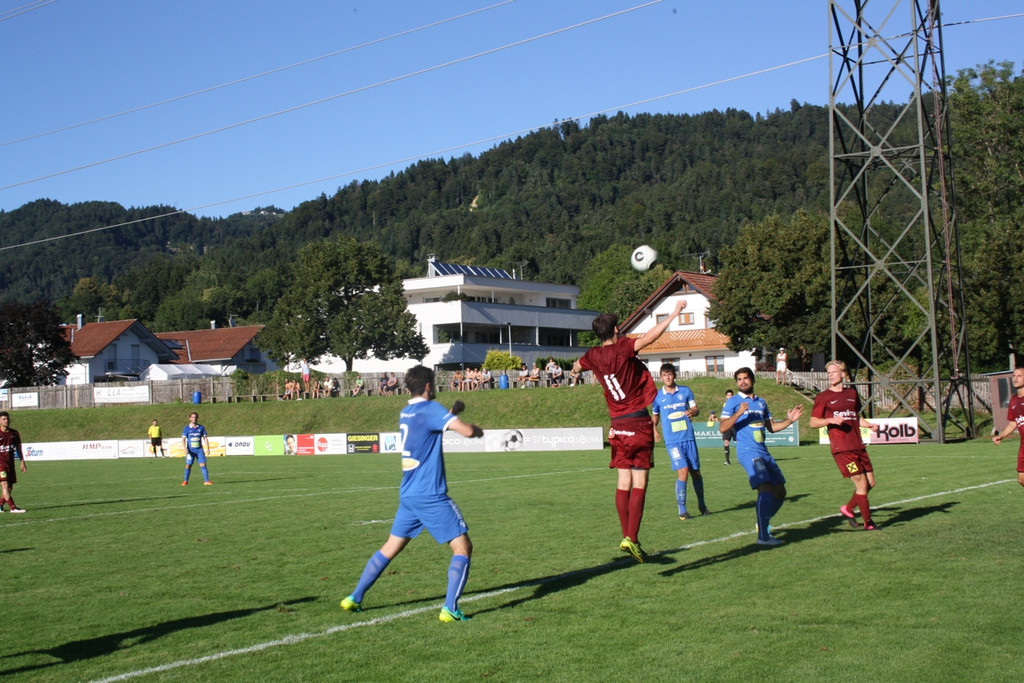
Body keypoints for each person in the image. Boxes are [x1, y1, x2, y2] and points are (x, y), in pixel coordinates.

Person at [340, 365, 484, 623]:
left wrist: (451, 413)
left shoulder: (406, 412)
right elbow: (468, 431)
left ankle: (354, 597)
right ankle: (450, 608)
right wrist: (475, 429)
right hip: (430, 494)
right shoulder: (431, 410)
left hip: (409, 494)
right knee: (463, 547)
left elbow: (428, 430)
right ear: (428, 385)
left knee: (390, 547)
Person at [572, 299, 687, 562]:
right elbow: (649, 338)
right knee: (640, 482)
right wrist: (674, 314)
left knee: (623, 481)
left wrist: (577, 370)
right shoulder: (623, 348)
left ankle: (627, 536)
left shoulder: (592, 356)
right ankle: (632, 537)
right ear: (614, 331)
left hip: (617, 425)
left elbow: (578, 365)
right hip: (637, 421)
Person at [719, 367, 804, 547]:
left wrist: (790, 420)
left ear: (753, 380)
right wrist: (738, 413)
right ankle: (763, 536)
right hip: (747, 451)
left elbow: (771, 427)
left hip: (763, 451)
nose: (742, 382)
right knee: (764, 486)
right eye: (739, 379)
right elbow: (722, 428)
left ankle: (762, 521)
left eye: (746, 378)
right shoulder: (733, 402)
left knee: (780, 491)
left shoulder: (761, 403)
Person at [810, 360, 881, 530]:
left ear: (843, 374)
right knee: (862, 484)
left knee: (870, 483)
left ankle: (848, 508)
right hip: (842, 449)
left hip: (858, 445)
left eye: (834, 372)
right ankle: (868, 523)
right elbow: (813, 422)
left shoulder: (852, 394)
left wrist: (869, 425)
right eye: (829, 373)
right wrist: (830, 420)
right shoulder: (823, 397)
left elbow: (854, 417)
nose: (831, 375)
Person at [652, 363, 708, 520]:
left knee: (695, 472)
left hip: (688, 438)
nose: (667, 377)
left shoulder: (685, 391)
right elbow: (655, 414)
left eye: (670, 374)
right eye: (664, 375)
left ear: (674, 375)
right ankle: (682, 510)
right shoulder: (658, 396)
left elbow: (696, 408)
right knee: (683, 471)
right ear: (661, 377)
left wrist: (693, 412)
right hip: (672, 441)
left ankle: (702, 505)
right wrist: (654, 428)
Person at [992, 366, 1024, 488]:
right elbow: (1013, 423)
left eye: (1019, 376)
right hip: (1023, 445)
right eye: (1014, 376)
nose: (1015, 379)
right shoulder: (1014, 401)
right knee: (1021, 479)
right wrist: (1001, 436)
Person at [0, 411, 27, 513]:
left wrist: (22, 462)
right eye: (4, 419)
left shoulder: (14, 433)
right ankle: (13, 508)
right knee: (5, 486)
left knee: (9, 488)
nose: (6, 421)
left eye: (7, 419)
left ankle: (0, 505)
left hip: (10, 464)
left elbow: (19, 448)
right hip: (0, 465)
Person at [181, 411, 212, 486]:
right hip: (190, 450)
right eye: (193, 417)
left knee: (203, 464)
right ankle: (185, 481)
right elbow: (183, 439)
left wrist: (208, 448)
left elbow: (205, 438)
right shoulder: (186, 428)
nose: (194, 418)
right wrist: (185, 449)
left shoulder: (201, 427)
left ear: (197, 418)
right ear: (190, 418)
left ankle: (206, 481)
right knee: (188, 465)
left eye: (195, 417)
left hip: (199, 450)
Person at [721, 389, 735, 465]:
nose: (729, 396)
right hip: (727, 425)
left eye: (731, 395)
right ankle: (727, 461)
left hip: (734, 424)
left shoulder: (736, 404)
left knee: (738, 442)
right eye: (728, 395)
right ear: (726, 396)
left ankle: (744, 459)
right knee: (726, 442)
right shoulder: (725, 404)